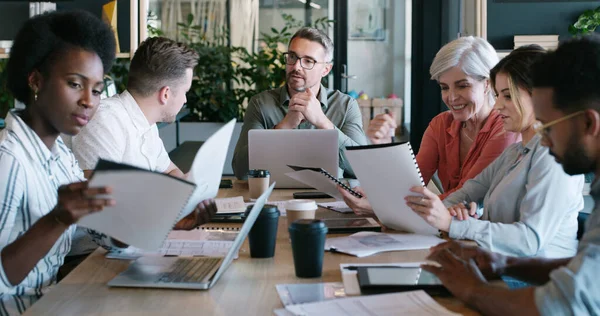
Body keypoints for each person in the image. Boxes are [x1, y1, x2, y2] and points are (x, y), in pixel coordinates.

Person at [420, 35, 600, 315]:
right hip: (515, 273)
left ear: (588, 123)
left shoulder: (548, 159)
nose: (546, 141)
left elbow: (562, 299)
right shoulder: (516, 152)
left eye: (549, 125)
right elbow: (583, 271)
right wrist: (503, 264)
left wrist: (472, 286)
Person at [403, 45, 583, 260]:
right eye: (498, 95)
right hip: (500, 266)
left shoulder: (553, 157)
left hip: (536, 281)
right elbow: (467, 193)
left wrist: (452, 223)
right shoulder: (515, 153)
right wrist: (444, 211)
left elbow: (530, 240)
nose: (497, 105)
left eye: (507, 96)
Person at [0, 10, 118, 315]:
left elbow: (89, 230)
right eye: (75, 84)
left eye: (96, 89)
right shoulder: (8, 159)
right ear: (36, 80)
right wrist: (57, 219)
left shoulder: (62, 155)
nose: (89, 101)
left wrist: (166, 225)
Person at [67, 37, 215, 257]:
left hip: (132, 246)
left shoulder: (145, 123)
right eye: (185, 91)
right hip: (91, 258)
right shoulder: (105, 120)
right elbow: (104, 213)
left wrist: (192, 200)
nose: (185, 100)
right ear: (165, 94)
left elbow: (173, 174)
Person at [340, 36, 519, 216]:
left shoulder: (505, 129)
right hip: (447, 224)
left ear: (487, 83)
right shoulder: (440, 124)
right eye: (444, 87)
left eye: (462, 86)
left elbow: (468, 195)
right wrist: (382, 148)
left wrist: (385, 205)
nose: (452, 97)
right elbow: (412, 183)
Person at [232, 27, 368, 179]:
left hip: (329, 199)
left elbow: (364, 168)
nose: (296, 66)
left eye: (308, 61)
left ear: (326, 69)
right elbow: (240, 170)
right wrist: (283, 127)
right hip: (274, 197)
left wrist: (324, 123)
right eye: (292, 57)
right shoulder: (261, 104)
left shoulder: (345, 105)